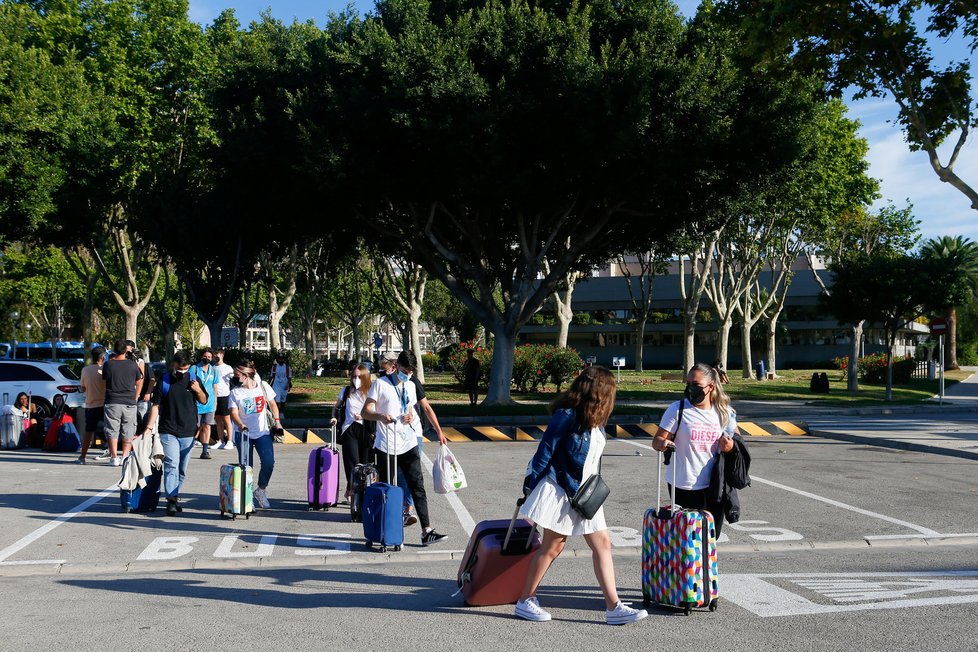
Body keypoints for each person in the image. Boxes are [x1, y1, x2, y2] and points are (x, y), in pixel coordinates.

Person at [516, 366, 648, 625]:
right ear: (600, 392)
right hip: (562, 490)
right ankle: (525, 601)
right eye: (611, 391)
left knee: (603, 544)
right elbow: (545, 451)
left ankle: (613, 607)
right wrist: (530, 487)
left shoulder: (595, 419)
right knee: (553, 547)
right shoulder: (567, 415)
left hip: (586, 495)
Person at [363, 350, 449, 546]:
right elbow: (366, 411)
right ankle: (384, 530)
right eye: (405, 370)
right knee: (387, 487)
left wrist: (409, 416)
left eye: (411, 371)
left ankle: (426, 530)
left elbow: (409, 408)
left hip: (407, 442)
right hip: (386, 444)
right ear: (396, 367)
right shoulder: (381, 384)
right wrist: (380, 417)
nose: (408, 374)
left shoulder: (410, 386)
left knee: (417, 485)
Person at [651, 362, 736, 536]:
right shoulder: (678, 409)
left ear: (710, 386)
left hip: (714, 486)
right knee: (685, 538)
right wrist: (662, 444)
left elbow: (738, 444)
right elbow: (657, 440)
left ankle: (706, 564)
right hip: (682, 483)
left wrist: (730, 446)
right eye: (688, 384)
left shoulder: (724, 412)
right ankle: (685, 565)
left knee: (711, 536)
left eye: (696, 385)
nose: (690, 389)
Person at [141, 351, 209, 516]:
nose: (183, 371)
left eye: (186, 368)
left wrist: (198, 389)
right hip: (168, 430)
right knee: (172, 464)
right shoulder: (163, 381)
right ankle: (171, 500)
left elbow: (204, 400)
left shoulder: (194, 379)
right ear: (173, 365)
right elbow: (155, 406)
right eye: (180, 368)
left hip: (188, 431)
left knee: (182, 468)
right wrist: (149, 427)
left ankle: (175, 495)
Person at [228, 359, 281, 509]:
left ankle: (261, 490)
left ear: (246, 375)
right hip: (243, 434)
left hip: (262, 432)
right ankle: (247, 497)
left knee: (269, 462)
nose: (235, 377)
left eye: (237, 374)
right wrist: (239, 424)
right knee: (247, 467)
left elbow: (273, 405)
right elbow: (233, 412)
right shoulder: (235, 392)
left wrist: (277, 422)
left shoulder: (263, 387)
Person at [330, 364, 374, 503]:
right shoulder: (346, 391)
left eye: (359, 377)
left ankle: (356, 491)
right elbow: (336, 407)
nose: (356, 379)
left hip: (366, 430)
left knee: (365, 464)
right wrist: (334, 417)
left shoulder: (372, 391)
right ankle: (353, 491)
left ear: (366, 377)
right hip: (349, 429)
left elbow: (378, 410)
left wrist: (365, 416)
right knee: (352, 463)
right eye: (354, 376)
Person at [101, 338, 143, 466]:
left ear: (114, 350)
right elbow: (140, 379)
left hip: (112, 401)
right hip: (129, 401)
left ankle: (114, 457)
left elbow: (104, 381)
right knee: (128, 430)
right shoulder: (133, 364)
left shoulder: (108, 364)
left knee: (112, 430)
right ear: (126, 350)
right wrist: (136, 396)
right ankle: (125, 456)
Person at [76, 346, 106, 464]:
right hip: (104, 404)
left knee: (88, 431)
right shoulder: (104, 369)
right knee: (109, 431)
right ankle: (113, 453)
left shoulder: (85, 370)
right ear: (102, 357)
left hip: (90, 404)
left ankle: (82, 456)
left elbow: (83, 387)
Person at [193, 348, 221, 460]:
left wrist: (215, 402)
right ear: (201, 357)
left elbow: (215, 387)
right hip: (196, 403)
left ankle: (205, 451)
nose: (207, 359)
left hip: (209, 403)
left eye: (209, 357)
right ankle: (188, 446)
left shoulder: (214, 371)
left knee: (207, 426)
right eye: (205, 357)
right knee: (195, 426)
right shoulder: (194, 369)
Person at [212, 348, 235, 449]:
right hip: (215, 396)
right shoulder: (212, 367)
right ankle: (220, 440)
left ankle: (229, 441)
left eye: (218, 354)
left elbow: (233, 381)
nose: (216, 356)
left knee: (226, 419)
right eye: (215, 354)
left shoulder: (228, 368)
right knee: (217, 419)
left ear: (222, 355)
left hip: (225, 395)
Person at [269, 351, 292, 422]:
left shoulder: (287, 367)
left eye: (282, 359)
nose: (280, 360)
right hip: (276, 385)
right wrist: (269, 384)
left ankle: (281, 412)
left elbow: (289, 377)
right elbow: (271, 376)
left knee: (283, 400)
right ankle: (277, 413)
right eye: (279, 359)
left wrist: (288, 385)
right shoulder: (274, 367)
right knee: (277, 400)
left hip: (284, 385)